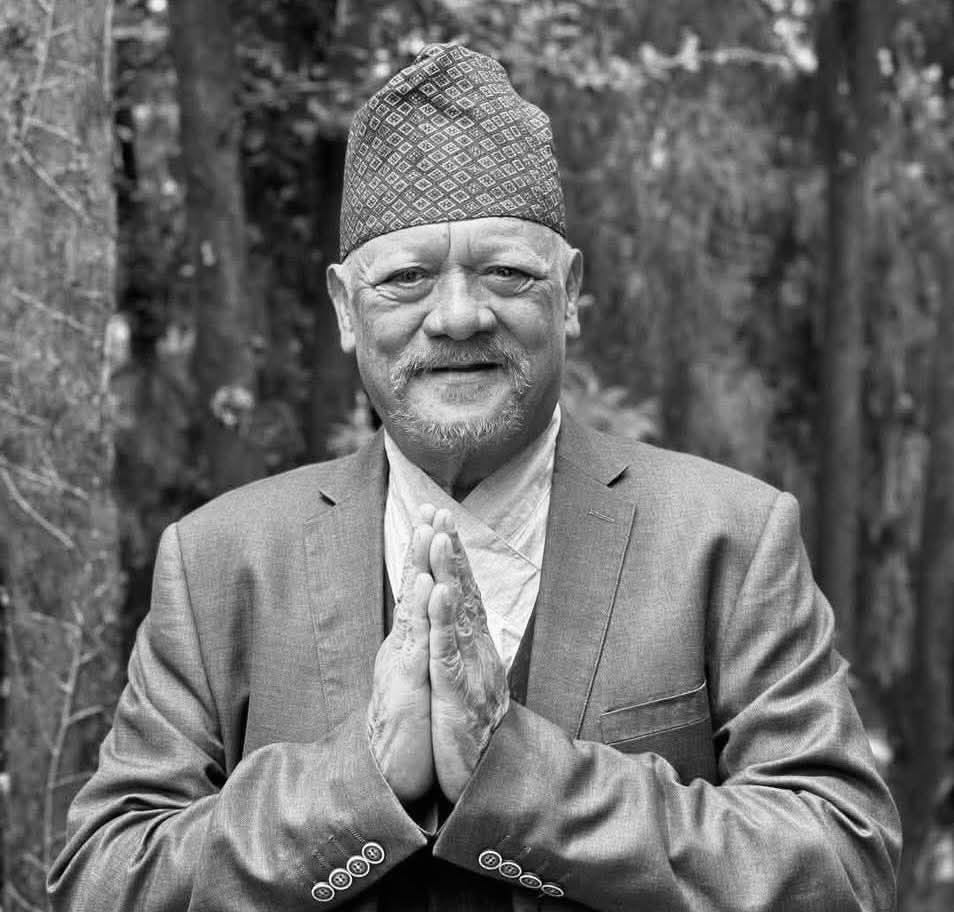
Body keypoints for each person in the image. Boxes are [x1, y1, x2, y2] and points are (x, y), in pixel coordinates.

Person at [49, 43, 900, 911]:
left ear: (569, 293)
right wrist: (357, 782)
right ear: (345, 308)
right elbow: (104, 880)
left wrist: (521, 778)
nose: (458, 316)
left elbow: (843, 862)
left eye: (506, 273)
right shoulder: (219, 562)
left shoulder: (728, 538)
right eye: (407, 279)